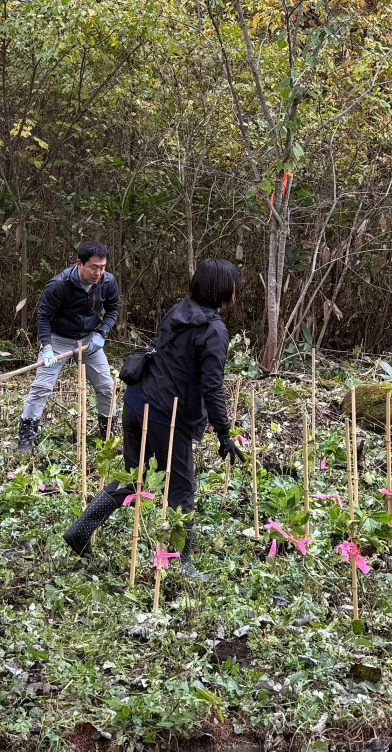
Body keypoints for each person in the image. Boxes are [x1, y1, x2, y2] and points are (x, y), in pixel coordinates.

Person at [63, 257, 243, 572]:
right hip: (166, 416)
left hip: (136, 402)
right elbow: (212, 386)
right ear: (223, 290)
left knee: (134, 476)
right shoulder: (214, 330)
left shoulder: (179, 310)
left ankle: (80, 530)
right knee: (182, 488)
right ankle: (179, 561)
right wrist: (224, 432)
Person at [17, 241, 121, 452]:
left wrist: (102, 332)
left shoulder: (108, 282)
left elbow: (113, 309)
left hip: (90, 340)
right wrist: (46, 346)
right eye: (94, 267)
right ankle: (26, 440)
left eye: (102, 267)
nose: (99, 272)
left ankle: (110, 438)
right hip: (58, 339)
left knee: (107, 388)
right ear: (79, 264)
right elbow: (44, 317)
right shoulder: (58, 285)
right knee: (41, 388)